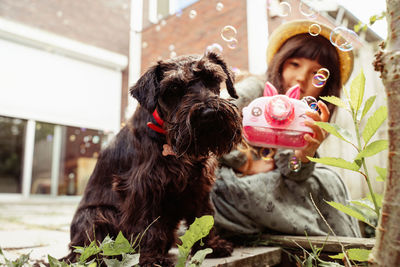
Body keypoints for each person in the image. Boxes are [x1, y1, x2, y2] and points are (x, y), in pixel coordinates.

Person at [211, 20, 361, 238]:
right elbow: (211, 122)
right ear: (280, 63)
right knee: (323, 181)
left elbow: (292, 173)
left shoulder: (303, 115)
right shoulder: (257, 88)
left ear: (327, 86)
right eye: (295, 64)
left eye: (316, 73)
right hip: (219, 182)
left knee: (326, 177)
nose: (301, 77)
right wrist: (246, 163)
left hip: (259, 193)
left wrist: (304, 153)